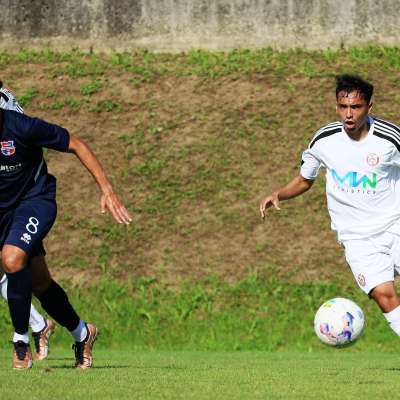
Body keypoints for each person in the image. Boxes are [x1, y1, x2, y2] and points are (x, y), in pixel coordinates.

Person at [0, 82, 132, 369]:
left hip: (35, 202)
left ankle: (21, 340)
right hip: (4, 211)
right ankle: (83, 333)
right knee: (40, 283)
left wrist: (106, 189)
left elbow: (76, 144)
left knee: (11, 258)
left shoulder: (21, 127)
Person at [260, 74, 400, 339]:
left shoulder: (390, 138)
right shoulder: (324, 140)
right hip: (356, 236)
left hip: (395, 223)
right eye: (343, 107)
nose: (348, 114)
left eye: (355, 107)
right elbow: (305, 179)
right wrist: (279, 193)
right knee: (383, 294)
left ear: (369, 107)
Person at [0, 83, 55, 361]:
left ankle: (37, 326)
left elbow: (19, 146)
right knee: (34, 278)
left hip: (20, 201)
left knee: (36, 278)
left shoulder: (7, 106)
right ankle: (40, 325)